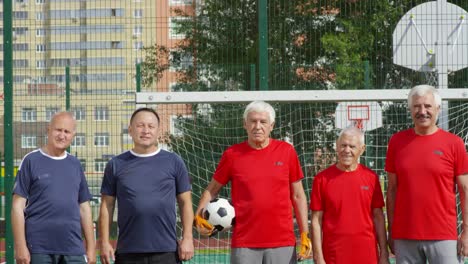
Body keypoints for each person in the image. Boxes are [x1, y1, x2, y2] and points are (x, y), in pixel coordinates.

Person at [194, 100, 312, 264]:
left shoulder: (287, 151)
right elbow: (212, 190)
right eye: (253, 121)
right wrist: (198, 216)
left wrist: (305, 233)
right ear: (245, 124)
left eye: (263, 122)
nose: (258, 126)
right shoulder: (232, 155)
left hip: (282, 241)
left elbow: (298, 195)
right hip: (244, 243)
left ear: (271, 125)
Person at [99, 107, 194, 264]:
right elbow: (106, 206)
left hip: (166, 251)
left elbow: (185, 203)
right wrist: (104, 242)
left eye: (151, 126)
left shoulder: (174, 162)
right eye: (140, 125)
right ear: (130, 130)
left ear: (158, 131)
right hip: (128, 251)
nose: (146, 130)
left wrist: (188, 238)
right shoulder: (116, 164)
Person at [386, 84, 468, 263]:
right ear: (410, 109)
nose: (422, 111)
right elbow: (391, 190)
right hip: (404, 235)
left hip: (444, 235)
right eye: (417, 106)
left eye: (427, 106)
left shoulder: (454, 143)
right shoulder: (396, 142)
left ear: (438, 109)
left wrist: (467, 232)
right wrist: (391, 231)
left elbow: (465, 190)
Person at [11, 111, 96, 264]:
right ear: (48, 130)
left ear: (73, 136)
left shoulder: (75, 164)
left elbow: (84, 208)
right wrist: (20, 246)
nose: (62, 135)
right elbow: (17, 207)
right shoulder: (31, 160)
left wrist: (91, 247)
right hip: (39, 248)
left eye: (67, 131)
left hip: (73, 248)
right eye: (58, 130)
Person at [310, 127, 389, 264]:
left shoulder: (371, 178)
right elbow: (316, 220)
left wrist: (384, 253)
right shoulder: (321, 179)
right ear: (337, 146)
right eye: (343, 145)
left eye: (352, 146)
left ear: (362, 149)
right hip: (333, 256)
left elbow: (378, 216)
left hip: (367, 255)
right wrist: (318, 257)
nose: (347, 150)